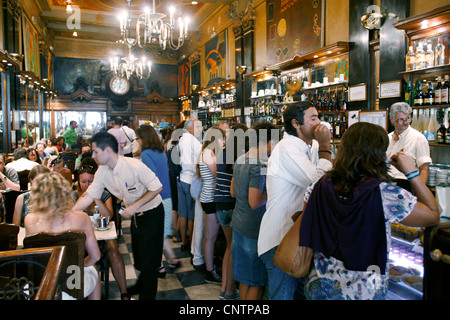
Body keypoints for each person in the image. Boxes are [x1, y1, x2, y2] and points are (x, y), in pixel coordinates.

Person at [300, 122, 439, 300]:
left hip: (320, 284)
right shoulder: (386, 194)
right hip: (363, 289)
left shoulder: (319, 185)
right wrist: (412, 172)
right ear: (379, 154)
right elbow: (433, 215)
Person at [73, 131, 164, 300]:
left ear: (107, 151)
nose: (92, 155)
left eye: (95, 151)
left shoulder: (134, 165)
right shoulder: (102, 172)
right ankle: (140, 284)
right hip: (136, 216)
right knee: (139, 255)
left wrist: (135, 206)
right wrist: (70, 214)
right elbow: (89, 196)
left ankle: (147, 296)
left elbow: (157, 187)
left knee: (150, 262)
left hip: (152, 214)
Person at [258, 102, 332, 300]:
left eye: (318, 117)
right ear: (296, 124)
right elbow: (317, 184)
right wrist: (326, 146)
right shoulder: (288, 148)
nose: (319, 123)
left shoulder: (306, 147)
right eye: (313, 118)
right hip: (280, 239)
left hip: (294, 236)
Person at [24, 172, 101, 300]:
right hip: (72, 283)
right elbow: (96, 256)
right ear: (64, 193)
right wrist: (77, 265)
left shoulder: (29, 220)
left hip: (41, 285)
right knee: (94, 271)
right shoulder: (81, 217)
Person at [230, 120, 279, 300]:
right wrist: (275, 192)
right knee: (257, 282)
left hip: (238, 223)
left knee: (244, 279)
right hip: (253, 227)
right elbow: (254, 202)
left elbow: (233, 192)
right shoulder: (260, 165)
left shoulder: (241, 159)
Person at [72, 157, 129, 300]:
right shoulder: (73, 195)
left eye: (90, 181)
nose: (86, 185)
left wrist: (95, 197)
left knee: (114, 250)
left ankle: (124, 292)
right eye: (83, 182)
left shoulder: (104, 194)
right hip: (81, 239)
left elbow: (109, 216)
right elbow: (70, 215)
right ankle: (75, 291)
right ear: (78, 181)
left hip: (102, 235)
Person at [135, 124, 180, 278]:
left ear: (144, 138)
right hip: (166, 196)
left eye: (138, 138)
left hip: (157, 197)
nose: (138, 141)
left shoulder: (147, 154)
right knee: (160, 234)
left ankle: (169, 261)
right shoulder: (160, 152)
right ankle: (162, 264)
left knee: (157, 234)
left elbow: (150, 178)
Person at [215, 123, 248, 299]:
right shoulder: (241, 157)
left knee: (229, 248)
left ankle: (225, 289)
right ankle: (228, 291)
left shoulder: (222, 152)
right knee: (234, 249)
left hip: (219, 205)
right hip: (232, 205)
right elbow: (235, 190)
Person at [197, 127, 226, 284]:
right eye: (222, 138)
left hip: (210, 197)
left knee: (211, 236)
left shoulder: (208, 151)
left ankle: (211, 265)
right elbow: (218, 174)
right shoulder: (209, 152)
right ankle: (209, 271)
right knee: (210, 237)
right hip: (210, 198)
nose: (224, 142)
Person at [386, 102, 432, 192]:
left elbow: (424, 170)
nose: (406, 122)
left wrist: (420, 193)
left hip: (406, 185)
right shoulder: (387, 138)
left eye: (408, 118)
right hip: (387, 183)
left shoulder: (418, 138)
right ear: (392, 120)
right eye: (401, 119)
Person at [177, 119, 203, 269]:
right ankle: (192, 243)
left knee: (183, 213)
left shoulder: (182, 139)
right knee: (192, 214)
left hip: (181, 177)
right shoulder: (194, 141)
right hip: (192, 179)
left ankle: (183, 242)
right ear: (189, 128)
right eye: (197, 127)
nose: (200, 129)